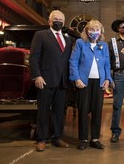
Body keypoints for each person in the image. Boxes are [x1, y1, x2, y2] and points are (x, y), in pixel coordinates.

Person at [29, 10, 72, 152]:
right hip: (45, 80)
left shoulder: (68, 39)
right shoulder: (41, 35)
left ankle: (57, 137)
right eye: (56, 19)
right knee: (43, 110)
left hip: (62, 81)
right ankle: (41, 139)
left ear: (64, 22)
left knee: (60, 111)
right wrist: (37, 75)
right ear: (49, 21)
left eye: (61, 19)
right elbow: (34, 57)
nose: (58, 21)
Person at [69, 20, 113, 150]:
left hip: (99, 82)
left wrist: (107, 79)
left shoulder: (103, 45)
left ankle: (95, 139)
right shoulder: (80, 43)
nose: (94, 32)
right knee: (83, 111)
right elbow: (73, 62)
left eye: (97, 29)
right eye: (92, 30)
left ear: (101, 32)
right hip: (84, 82)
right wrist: (76, 78)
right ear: (87, 31)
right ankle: (83, 139)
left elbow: (107, 64)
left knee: (97, 111)